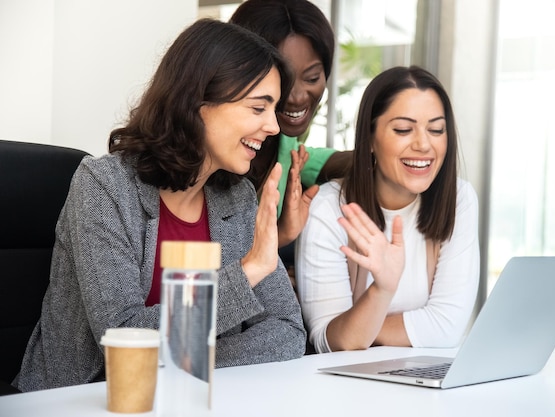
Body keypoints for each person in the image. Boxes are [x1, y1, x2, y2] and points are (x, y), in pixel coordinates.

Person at [14, 18, 306, 392]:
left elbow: (287, 332)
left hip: (188, 398)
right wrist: (247, 272)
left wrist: (183, 364)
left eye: (274, 109)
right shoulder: (105, 186)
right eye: (257, 108)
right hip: (83, 401)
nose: (273, 126)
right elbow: (121, 337)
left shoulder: (238, 198)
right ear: (199, 101)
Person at [295, 66, 479, 353]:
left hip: (427, 381)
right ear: (369, 139)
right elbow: (330, 342)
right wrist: (382, 290)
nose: (423, 144)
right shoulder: (329, 209)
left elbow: (447, 328)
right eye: (403, 130)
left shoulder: (459, 199)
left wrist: (361, 329)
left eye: (436, 129)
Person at [229, 0, 352, 252]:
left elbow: (325, 161)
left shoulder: (287, 148)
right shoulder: (214, 154)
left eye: (312, 78)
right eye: (283, 79)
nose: (296, 97)